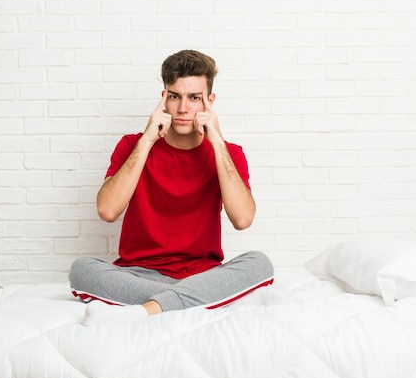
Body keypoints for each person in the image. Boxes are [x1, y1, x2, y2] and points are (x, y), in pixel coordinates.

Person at [68, 50, 274, 326]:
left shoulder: (228, 153)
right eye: (175, 96)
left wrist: (217, 142)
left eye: (195, 98)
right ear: (163, 98)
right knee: (82, 269)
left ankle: (145, 310)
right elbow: (107, 210)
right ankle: (191, 301)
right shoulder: (132, 146)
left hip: (202, 275)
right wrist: (147, 140)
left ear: (209, 102)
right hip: (137, 275)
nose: (183, 109)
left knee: (260, 264)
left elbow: (243, 219)